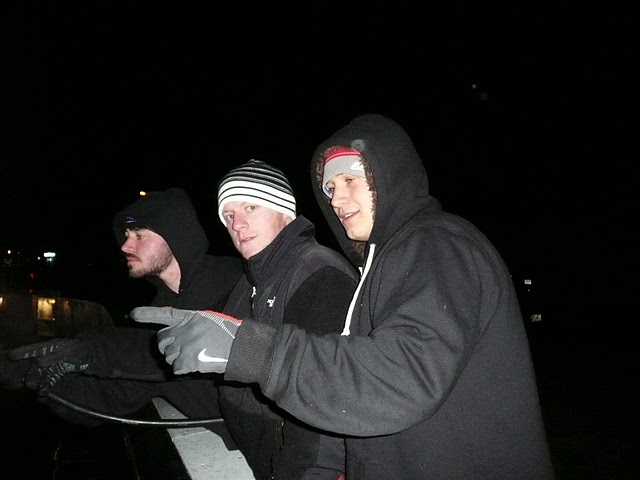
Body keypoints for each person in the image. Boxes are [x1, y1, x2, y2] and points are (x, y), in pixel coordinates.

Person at [132, 114, 555, 479]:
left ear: (389, 175)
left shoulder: (437, 243)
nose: (337, 198)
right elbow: (346, 402)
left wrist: (251, 350)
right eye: (330, 187)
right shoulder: (378, 268)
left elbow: (402, 378)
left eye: (351, 179)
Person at [3, 188, 244, 463]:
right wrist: (46, 380)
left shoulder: (240, 283)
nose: (125, 246)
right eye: (126, 236)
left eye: (139, 236)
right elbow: (113, 397)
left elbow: (158, 358)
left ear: (176, 238)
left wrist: (95, 351)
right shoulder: (153, 317)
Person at [212, 159, 358, 479]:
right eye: (229, 215)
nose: (237, 224)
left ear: (285, 212)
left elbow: (320, 408)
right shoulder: (249, 281)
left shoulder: (320, 274)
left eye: (251, 208)